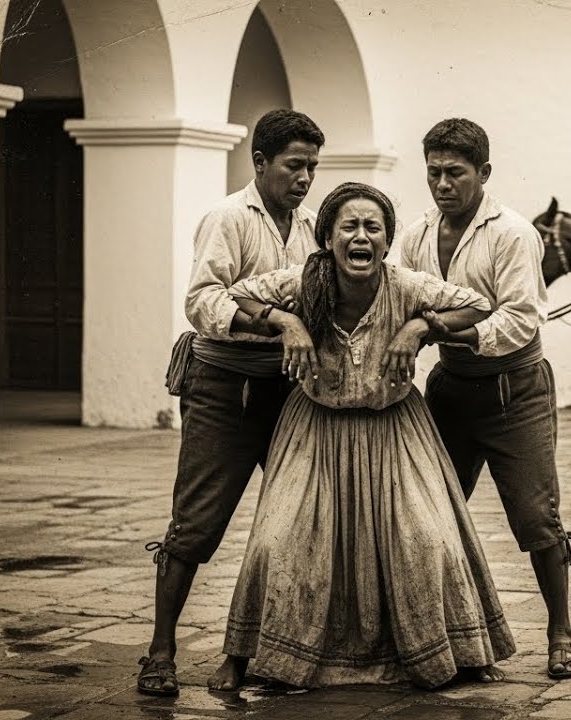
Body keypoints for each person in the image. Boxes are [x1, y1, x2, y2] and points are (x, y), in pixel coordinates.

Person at [207, 182, 514, 690]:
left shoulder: (406, 285)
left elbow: (480, 306)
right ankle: (243, 654)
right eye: (349, 226)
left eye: (373, 227)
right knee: (276, 542)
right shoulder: (303, 283)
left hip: (396, 431)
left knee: (428, 539)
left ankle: (458, 652)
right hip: (314, 433)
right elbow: (230, 296)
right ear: (327, 236)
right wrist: (284, 321)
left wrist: (420, 328)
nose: (361, 236)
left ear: (387, 241)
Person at [136, 109, 324, 697]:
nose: (304, 178)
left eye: (313, 167)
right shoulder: (228, 217)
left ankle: (267, 651)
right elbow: (202, 301)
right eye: (295, 165)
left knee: (293, 519)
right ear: (260, 162)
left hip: (287, 390)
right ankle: (160, 651)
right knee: (197, 521)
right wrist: (277, 318)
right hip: (224, 387)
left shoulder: (313, 225)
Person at [396, 118, 571, 680]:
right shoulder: (415, 234)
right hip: (449, 391)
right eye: (433, 173)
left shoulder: (513, 233)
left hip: (514, 392)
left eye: (455, 173)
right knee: (430, 514)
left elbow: (520, 319)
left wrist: (437, 329)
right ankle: (443, 635)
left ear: (484, 173)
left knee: (536, 518)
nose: (442, 185)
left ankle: (561, 633)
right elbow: (402, 295)